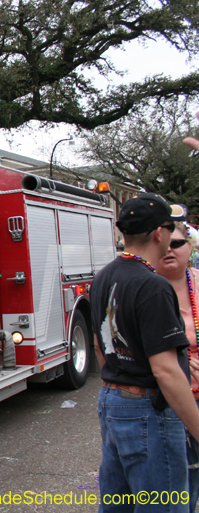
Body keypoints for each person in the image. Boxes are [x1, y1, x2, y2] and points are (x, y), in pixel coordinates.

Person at [92, 192, 199, 512]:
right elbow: (165, 370)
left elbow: (99, 345)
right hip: (148, 410)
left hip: (112, 400)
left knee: (118, 505)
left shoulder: (103, 276)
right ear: (158, 234)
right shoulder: (153, 285)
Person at [155, 221, 199, 510]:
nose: (170, 249)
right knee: (180, 483)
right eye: (165, 244)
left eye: (178, 243)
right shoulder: (147, 288)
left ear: (190, 248)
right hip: (168, 403)